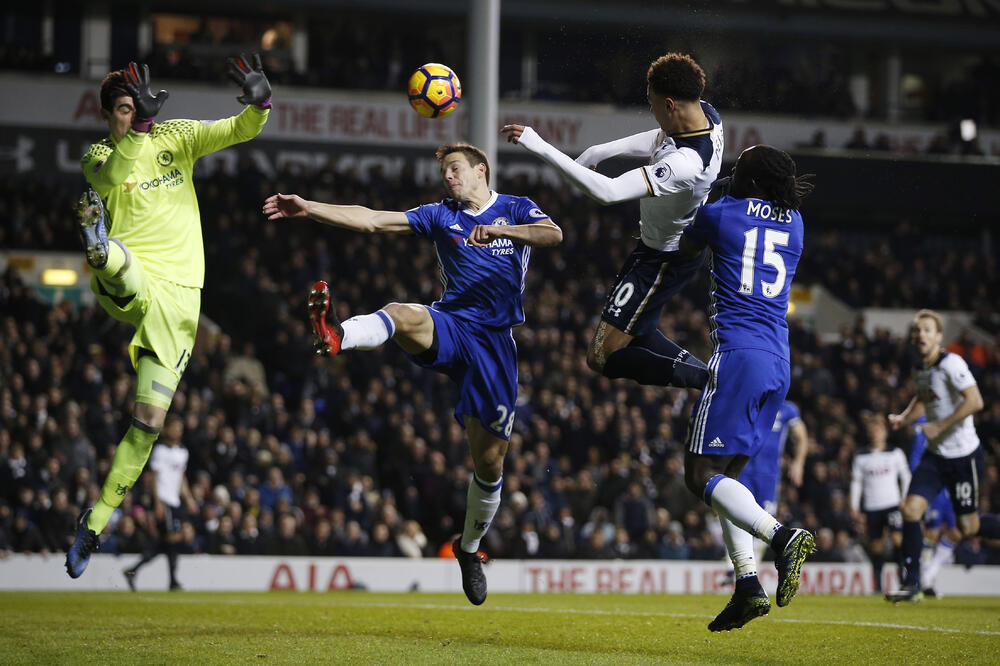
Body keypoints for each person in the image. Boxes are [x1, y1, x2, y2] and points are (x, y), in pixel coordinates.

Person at [262, 141, 562, 605]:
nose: (449, 177)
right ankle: (336, 335)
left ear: (481, 170)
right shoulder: (441, 215)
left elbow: (553, 235)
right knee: (402, 313)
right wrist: (310, 208)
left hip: (495, 344)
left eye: (456, 169)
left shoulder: (516, 207)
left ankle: (468, 548)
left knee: (490, 463)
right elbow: (373, 219)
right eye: (444, 171)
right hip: (453, 324)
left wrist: (508, 232)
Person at [66, 54, 272, 578]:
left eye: (134, 107)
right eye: (121, 109)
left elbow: (239, 129)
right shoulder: (97, 156)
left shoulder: (175, 137)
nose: (128, 116)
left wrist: (261, 101)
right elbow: (113, 171)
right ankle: (99, 250)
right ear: (109, 115)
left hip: (183, 301)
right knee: (115, 262)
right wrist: (139, 128)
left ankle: (94, 523)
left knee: (148, 426)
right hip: (134, 278)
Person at [501, 52, 722, 390]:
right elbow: (661, 137)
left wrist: (540, 146)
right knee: (639, 331)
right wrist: (599, 151)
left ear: (670, 104)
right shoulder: (706, 114)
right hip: (660, 248)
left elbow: (608, 191)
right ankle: (711, 378)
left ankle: (708, 382)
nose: (650, 109)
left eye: (652, 103)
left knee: (602, 357)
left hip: (664, 259)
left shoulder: (688, 164)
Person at [677, 145, 815, 632]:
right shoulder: (795, 224)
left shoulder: (722, 215)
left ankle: (781, 537)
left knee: (698, 476)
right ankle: (747, 584)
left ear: (750, 180)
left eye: (739, 170)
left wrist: (703, 196)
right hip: (779, 361)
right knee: (727, 481)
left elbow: (685, 246)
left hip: (738, 357)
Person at [886, 309, 1000, 602]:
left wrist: (939, 426)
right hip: (935, 457)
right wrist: (905, 418)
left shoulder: (952, 364)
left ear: (938, 337)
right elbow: (925, 398)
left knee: (968, 527)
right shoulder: (920, 368)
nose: (920, 334)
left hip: (963, 456)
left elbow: (975, 401)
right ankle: (911, 583)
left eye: (927, 330)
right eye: (917, 330)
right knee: (911, 510)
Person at [123, 415, 195, 590]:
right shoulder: (160, 451)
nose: (178, 431)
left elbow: (181, 478)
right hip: (164, 500)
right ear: (167, 429)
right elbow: (154, 478)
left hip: (175, 501)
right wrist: (157, 502)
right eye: (175, 427)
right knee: (172, 539)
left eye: (180, 428)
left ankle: (134, 570)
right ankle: (173, 581)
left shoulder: (182, 452)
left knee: (167, 543)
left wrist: (189, 498)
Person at [739, 399, 809, 562]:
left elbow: (802, 437)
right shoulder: (747, 402)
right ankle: (733, 565)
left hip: (769, 475)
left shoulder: (787, 409)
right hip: (742, 470)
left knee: (765, 520)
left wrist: (798, 463)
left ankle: (750, 567)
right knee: (738, 516)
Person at [849, 412, 910, 593]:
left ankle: (903, 582)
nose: (875, 433)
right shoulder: (861, 456)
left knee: (898, 540)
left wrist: (905, 498)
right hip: (872, 506)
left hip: (892, 504)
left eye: (879, 429)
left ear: (885, 432)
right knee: (876, 546)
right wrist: (854, 505)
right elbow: (856, 483)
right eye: (872, 430)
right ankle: (878, 585)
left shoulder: (895, 453)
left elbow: (905, 476)